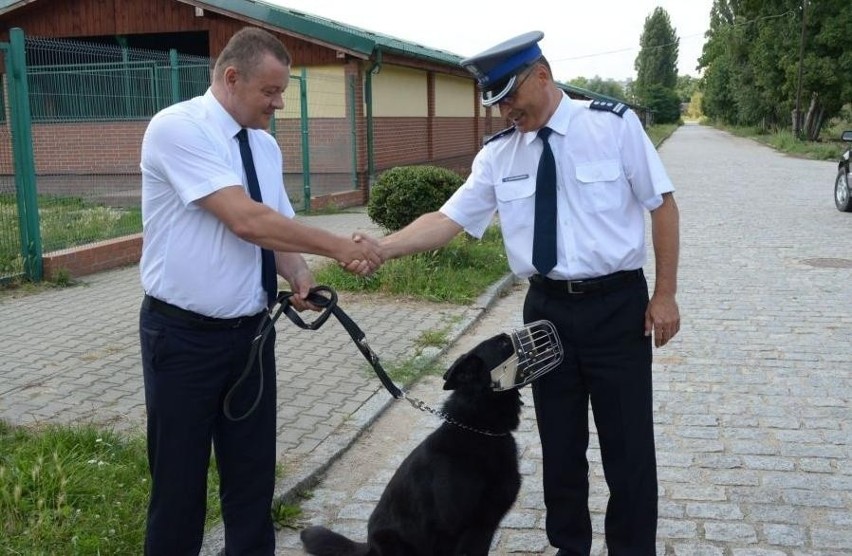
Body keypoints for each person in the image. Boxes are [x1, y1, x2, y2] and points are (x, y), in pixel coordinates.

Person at [354, 31, 680, 555]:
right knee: (560, 448)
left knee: (629, 450)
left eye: (510, 97)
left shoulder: (612, 126)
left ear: (543, 76)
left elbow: (661, 205)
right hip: (546, 314)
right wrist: (382, 249)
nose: (504, 111)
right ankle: (569, 547)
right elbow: (448, 218)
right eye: (495, 102)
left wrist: (664, 294)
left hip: (618, 308)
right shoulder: (500, 155)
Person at [138, 27, 381, 555]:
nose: (278, 104)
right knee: (179, 488)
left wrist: (298, 275)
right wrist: (339, 246)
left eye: (282, 92)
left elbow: (275, 228)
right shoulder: (177, 129)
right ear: (231, 77)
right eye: (270, 92)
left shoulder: (265, 147)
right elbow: (246, 221)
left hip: (250, 337)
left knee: (251, 483)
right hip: (183, 340)